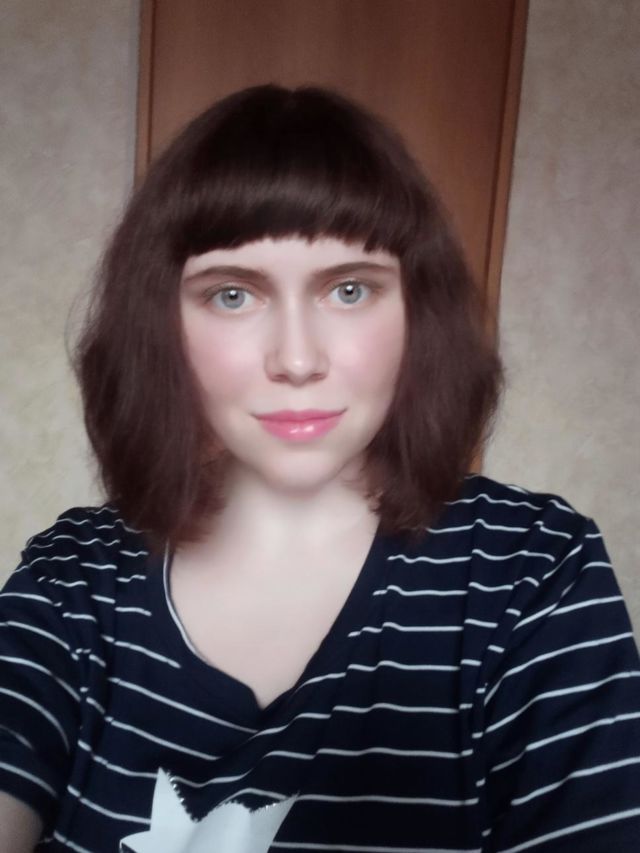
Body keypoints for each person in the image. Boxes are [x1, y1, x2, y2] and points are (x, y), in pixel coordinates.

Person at [0, 84, 639, 853]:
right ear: (161, 322)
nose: (297, 360)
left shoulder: (534, 569)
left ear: (418, 310)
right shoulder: (74, 577)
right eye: (232, 295)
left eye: (349, 289)